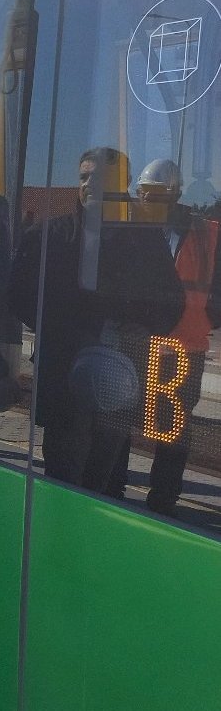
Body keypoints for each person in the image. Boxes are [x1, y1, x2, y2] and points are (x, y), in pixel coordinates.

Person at [10, 147, 183, 493]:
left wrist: (144, 326)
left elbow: (171, 301)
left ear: (124, 184)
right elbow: (18, 294)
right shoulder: (51, 235)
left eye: (100, 177)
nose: (89, 184)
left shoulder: (145, 239)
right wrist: (66, 330)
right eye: (84, 176)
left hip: (120, 380)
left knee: (103, 479)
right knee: (62, 477)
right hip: (64, 378)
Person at [132, 159, 219, 515]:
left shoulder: (205, 235)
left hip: (182, 346)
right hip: (138, 341)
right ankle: (111, 488)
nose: (152, 201)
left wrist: (199, 321)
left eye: (160, 195)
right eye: (147, 195)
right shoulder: (129, 229)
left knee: (173, 429)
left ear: (176, 195)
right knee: (122, 419)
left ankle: (162, 499)